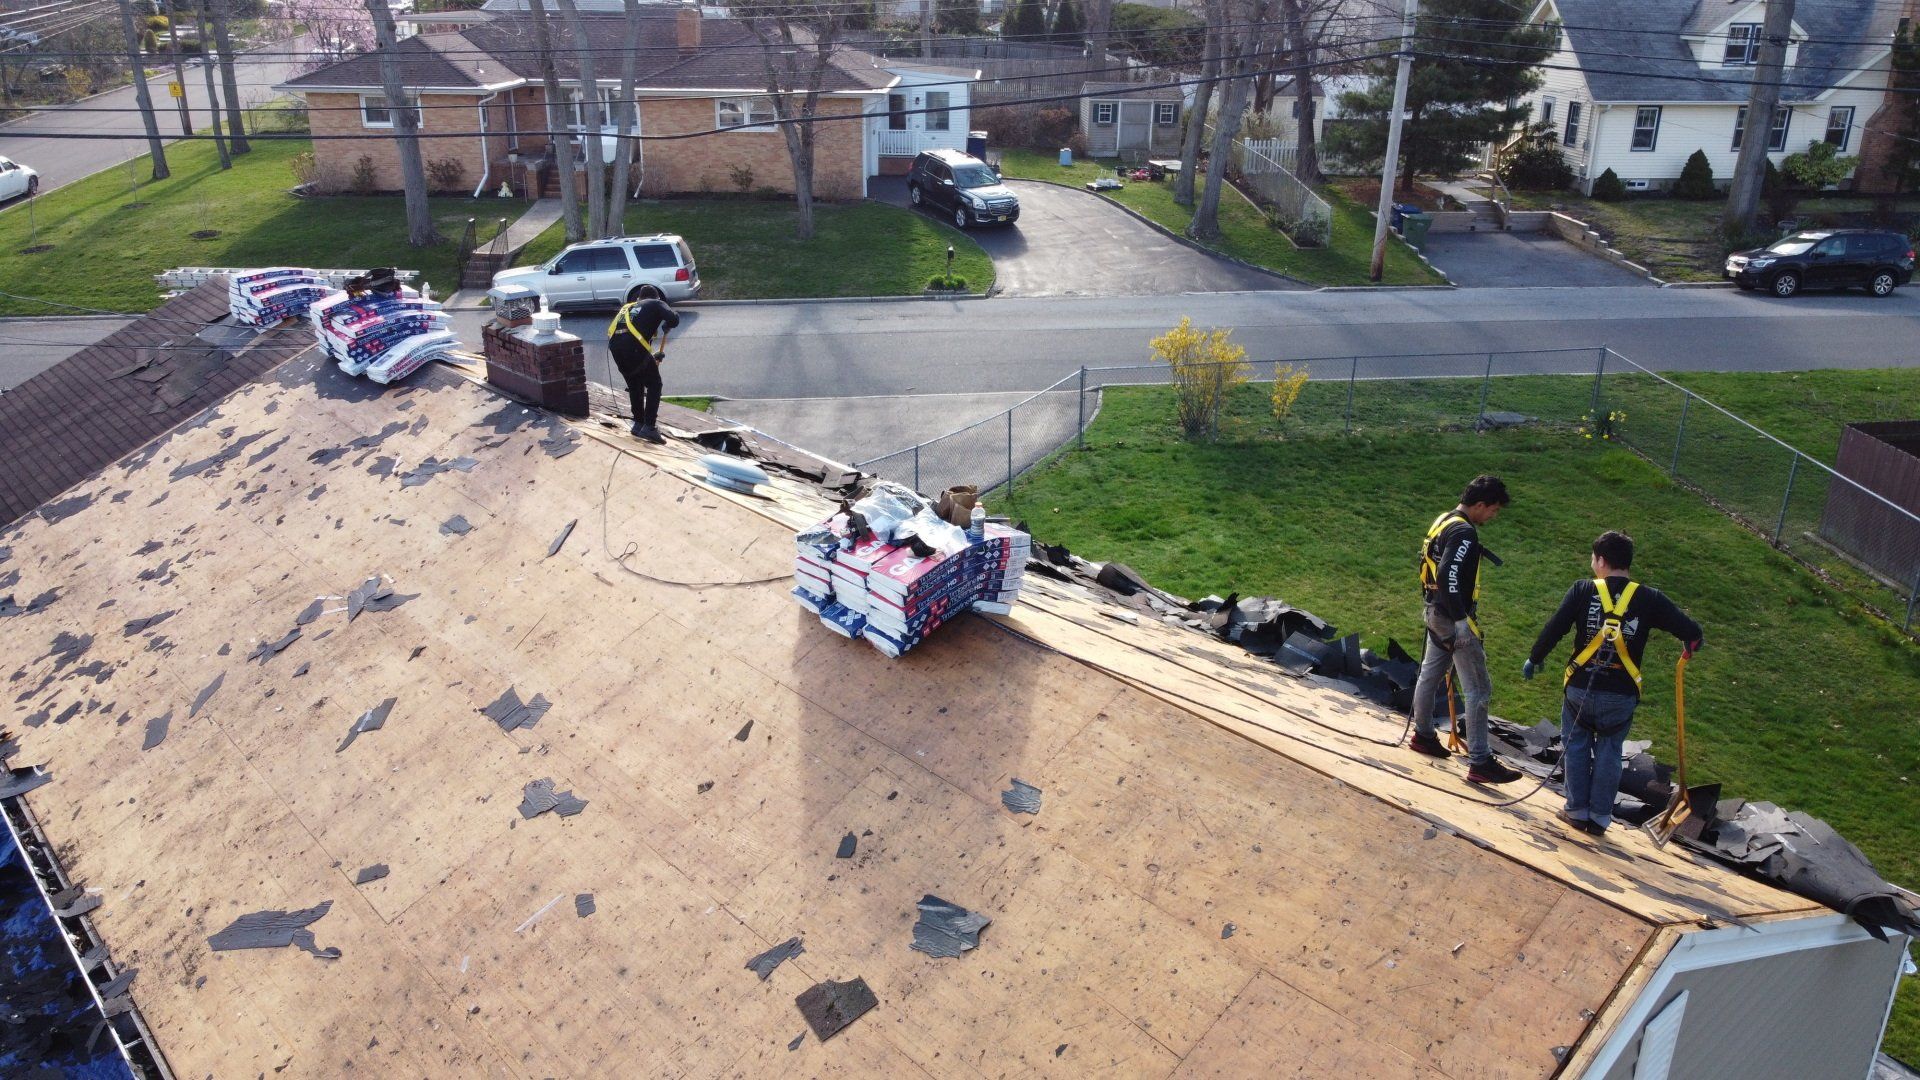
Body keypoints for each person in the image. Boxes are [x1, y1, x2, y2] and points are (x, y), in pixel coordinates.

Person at [1523, 530, 1702, 837]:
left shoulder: (1582, 590)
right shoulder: (1649, 598)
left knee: (1576, 745)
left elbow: (1555, 628)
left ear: (1601, 561)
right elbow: (1691, 631)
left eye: (1593, 558)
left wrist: (1535, 657)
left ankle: (1576, 810)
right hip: (1621, 694)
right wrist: (1691, 645)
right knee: (1609, 750)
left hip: (1580, 687)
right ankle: (1600, 818)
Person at [1408, 475, 1522, 784]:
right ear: (1481, 505)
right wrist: (1461, 622)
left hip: (1434, 611)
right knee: (1478, 689)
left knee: (1430, 674)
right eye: (1493, 510)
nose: (1493, 516)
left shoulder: (1444, 520)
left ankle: (1423, 735)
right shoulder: (1463, 531)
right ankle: (1480, 761)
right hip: (1452, 617)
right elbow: (1448, 573)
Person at [607, 296, 680, 444]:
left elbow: (633, 335)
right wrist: (669, 322)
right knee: (655, 384)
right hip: (633, 349)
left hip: (616, 349)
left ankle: (638, 424)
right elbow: (673, 320)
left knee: (635, 384)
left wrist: (652, 357)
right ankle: (649, 427)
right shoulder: (656, 302)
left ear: (639, 298)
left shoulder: (628, 308)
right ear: (655, 297)